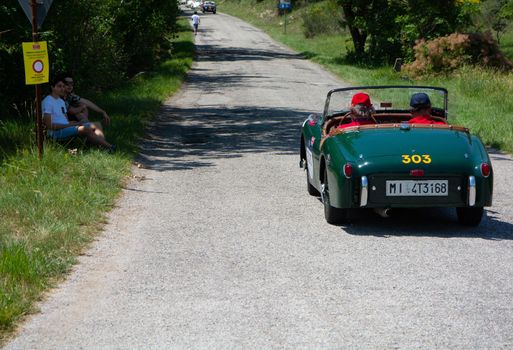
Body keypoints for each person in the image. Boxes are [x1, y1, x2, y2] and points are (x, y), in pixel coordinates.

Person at [42, 75, 116, 152]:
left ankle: (101, 146)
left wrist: (73, 123)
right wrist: (71, 125)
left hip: (66, 127)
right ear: (52, 87)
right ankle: (110, 147)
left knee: (96, 124)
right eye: (59, 86)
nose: (62, 89)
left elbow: (66, 119)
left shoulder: (61, 101)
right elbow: (49, 126)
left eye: (63, 86)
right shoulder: (48, 102)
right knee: (85, 129)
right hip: (56, 132)